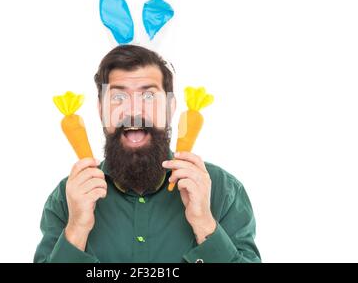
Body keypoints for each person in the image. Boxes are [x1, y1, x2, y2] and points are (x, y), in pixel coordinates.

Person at [34, 45, 261, 263]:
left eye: (149, 96)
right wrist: (76, 230)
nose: (133, 111)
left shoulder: (224, 191)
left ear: (171, 108)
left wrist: (204, 223)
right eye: (118, 97)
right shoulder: (67, 198)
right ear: (100, 110)